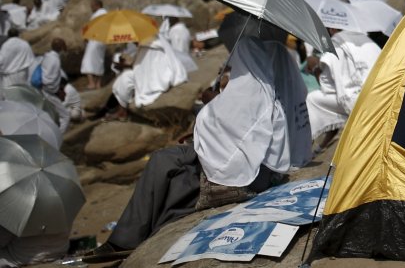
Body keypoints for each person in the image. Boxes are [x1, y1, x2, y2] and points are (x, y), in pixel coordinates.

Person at [84, 30, 311, 263]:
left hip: (250, 173)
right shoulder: (275, 86)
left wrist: (211, 102)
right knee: (175, 177)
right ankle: (137, 235)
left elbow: (228, 125)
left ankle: (124, 240)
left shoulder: (254, 90)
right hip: (262, 166)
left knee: (164, 162)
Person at [306, 26, 382, 149]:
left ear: (332, 29)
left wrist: (315, 67)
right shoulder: (366, 40)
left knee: (312, 99)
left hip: (359, 100)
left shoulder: (336, 42)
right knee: (339, 97)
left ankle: (305, 146)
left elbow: (327, 86)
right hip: (381, 93)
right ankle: (325, 140)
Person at [80, 0, 108, 90]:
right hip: (102, 41)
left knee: (87, 61)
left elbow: (92, 27)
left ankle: (92, 83)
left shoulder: (98, 14)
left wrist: (86, 37)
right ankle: (98, 84)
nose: (91, 8)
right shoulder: (106, 13)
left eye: (92, 6)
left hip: (95, 40)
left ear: (97, 5)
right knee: (99, 61)